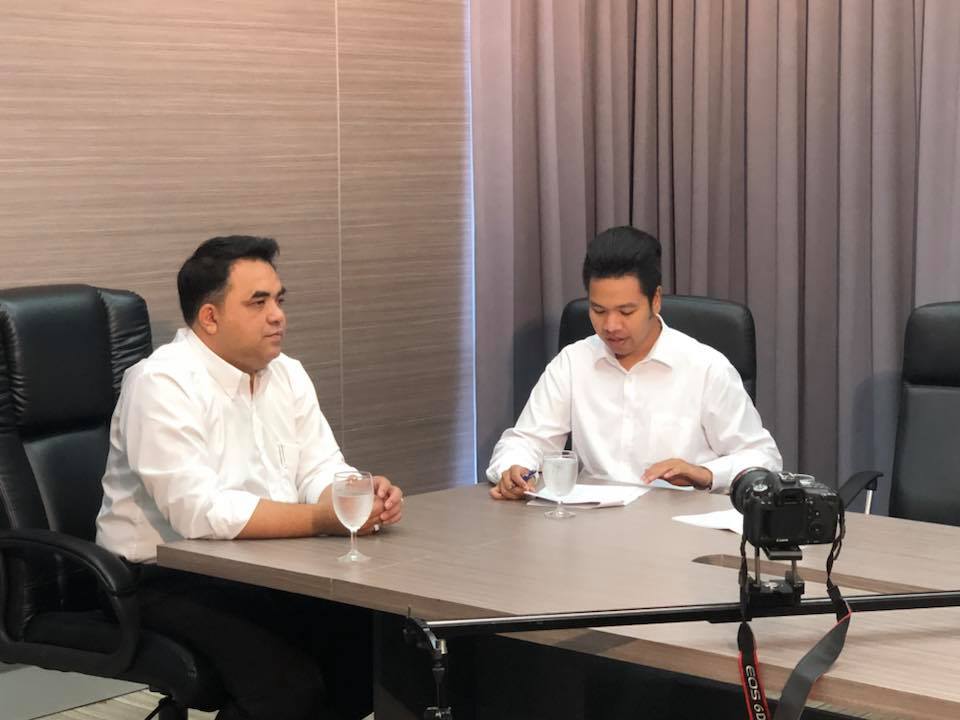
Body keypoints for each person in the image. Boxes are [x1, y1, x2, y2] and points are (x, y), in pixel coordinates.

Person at [96, 235, 402, 720]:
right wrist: (322, 519)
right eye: (258, 303)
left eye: (279, 300)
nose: (278, 316)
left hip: (263, 569)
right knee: (287, 687)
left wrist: (355, 496)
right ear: (210, 317)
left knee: (379, 653)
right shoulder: (161, 383)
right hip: (162, 579)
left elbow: (320, 465)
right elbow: (199, 512)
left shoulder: (287, 373)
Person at [487, 226, 782, 500]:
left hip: (677, 524)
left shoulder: (705, 367)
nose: (611, 325)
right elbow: (526, 441)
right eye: (598, 310)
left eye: (626, 312)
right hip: (591, 526)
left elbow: (764, 458)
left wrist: (705, 474)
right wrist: (514, 468)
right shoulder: (573, 362)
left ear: (655, 300)